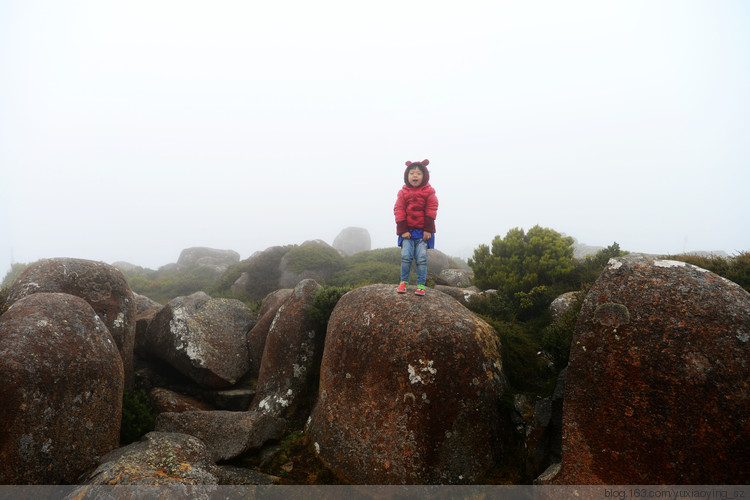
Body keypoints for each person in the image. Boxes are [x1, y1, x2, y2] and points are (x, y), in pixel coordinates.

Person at [394, 159, 438, 296]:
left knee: (421, 259)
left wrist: (427, 230)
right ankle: (404, 283)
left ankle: (420, 285)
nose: (415, 176)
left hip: (423, 233)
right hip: (407, 232)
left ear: (424, 176)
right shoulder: (402, 193)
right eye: (411, 173)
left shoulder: (429, 192)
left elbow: (432, 209)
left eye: (418, 173)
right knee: (406, 257)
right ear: (406, 176)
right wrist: (403, 230)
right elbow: (398, 209)